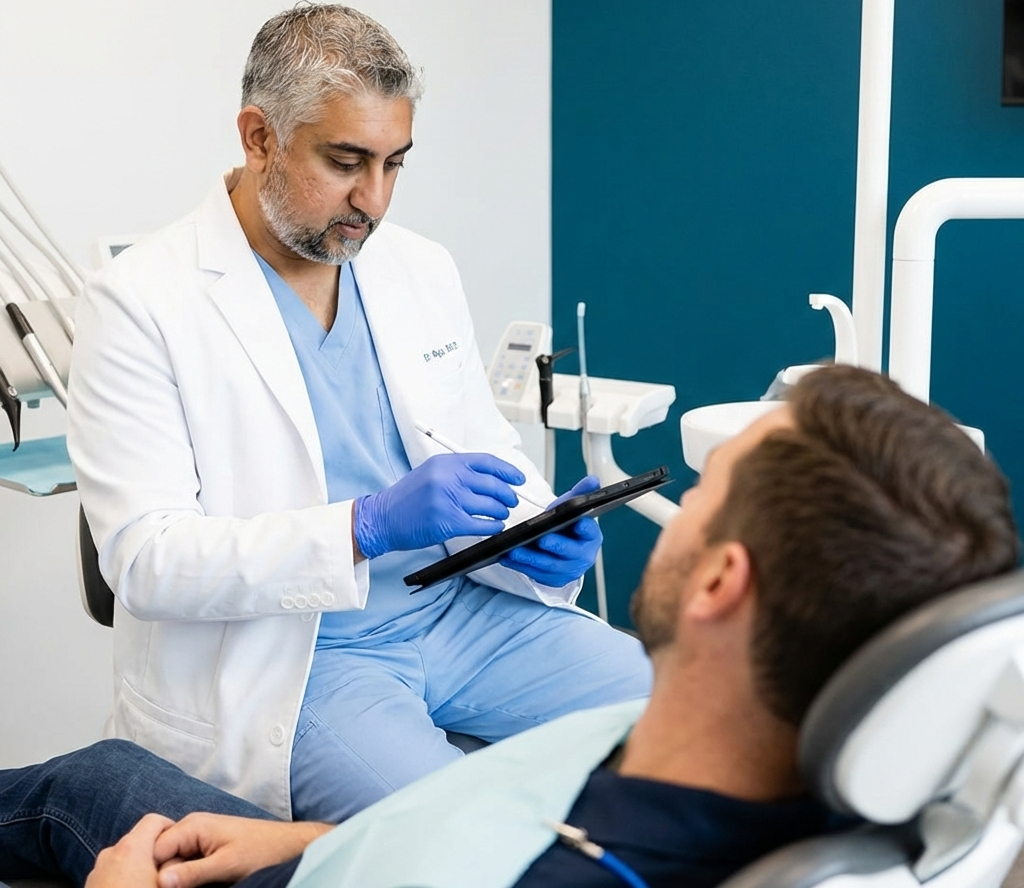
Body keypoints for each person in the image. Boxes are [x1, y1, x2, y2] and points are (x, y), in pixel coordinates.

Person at [7, 366, 1018, 888]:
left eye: (709, 485)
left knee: (91, 787)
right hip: (341, 852)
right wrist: (313, 838)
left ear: (718, 579)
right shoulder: (791, 783)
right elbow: (495, 823)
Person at [65, 3, 651, 823]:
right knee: (450, 836)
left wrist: (534, 530)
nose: (372, 201)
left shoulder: (419, 268)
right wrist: (364, 526)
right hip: (304, 658)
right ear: (258, 136)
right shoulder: (138, 303)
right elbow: (144, 560)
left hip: (459, 610)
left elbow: (483, 455)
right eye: (345, 162)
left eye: (394, 164)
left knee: (679, 719)